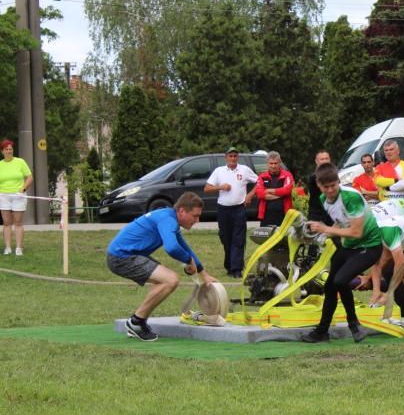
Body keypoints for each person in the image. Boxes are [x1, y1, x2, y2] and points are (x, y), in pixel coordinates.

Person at [106, 192, 217, 341]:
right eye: (195, 216)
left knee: (164, 281)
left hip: (127, 254)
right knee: (171, 280)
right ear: (182, 211)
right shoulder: (168, 219)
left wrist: (204, 274)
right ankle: (136, 322)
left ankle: (139, 322)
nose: (197, 221)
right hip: (121, 257)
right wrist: (188, 260)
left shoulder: (169, 217)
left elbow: (184, 247)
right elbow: (171, 248)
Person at [302, 162, 383, 344]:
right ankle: (322, 331)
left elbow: (357, 232)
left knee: (340, 281)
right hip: (350, 246)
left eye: (333, 185)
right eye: (326, 187)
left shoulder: (350, 196)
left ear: (339, 181)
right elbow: (341, 222)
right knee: (330, 286)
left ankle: (354, 324)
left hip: (370, 246)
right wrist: (318, 234)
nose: (330, 190)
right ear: (319, 186)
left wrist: (324, 228)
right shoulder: (323, 199)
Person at [204, 146, 258, 278]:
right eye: (230, 156)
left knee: (238, 239)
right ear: (226, 157)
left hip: (239, 208)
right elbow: (207, 189)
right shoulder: (219, 171)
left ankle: (237, 269)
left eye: (235, 156)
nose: (233, 158)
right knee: (226, 238)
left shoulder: (244, 170)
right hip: (223, 209)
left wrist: (250, 195)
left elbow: (260, 182)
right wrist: (221, 187)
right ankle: (229, 266)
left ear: (238, 157)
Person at [0, 139, 32, 256]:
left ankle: (19, 248)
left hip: (19, 196)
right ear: (2, 151)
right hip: (3, 196)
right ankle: (8, 247)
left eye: (10, 149)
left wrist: (23, 189)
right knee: (6, 223)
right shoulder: (0, 164)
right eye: (6, 149)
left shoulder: (20, 162)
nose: (9, 151)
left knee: (18, 222)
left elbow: (29, 177)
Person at [255, 151, 294, 227]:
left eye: (275, 163)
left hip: (284, 214)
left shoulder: (287, 175)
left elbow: (287, 190)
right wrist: (281, 194)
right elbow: (260, 194)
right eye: (271, 163)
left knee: (283, 235)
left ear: (280, 163)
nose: (273, 166)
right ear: (267, 163)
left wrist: (269, 190)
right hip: (266, 215)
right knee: (267, 235)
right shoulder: (262, 176)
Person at [306, 150, 334, 225]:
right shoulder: (314, 177)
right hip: (317, 214)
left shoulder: (334, 175)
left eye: (326, 158)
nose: (325, 161)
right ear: (316, 161)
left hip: (331, 213)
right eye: (322, 159)